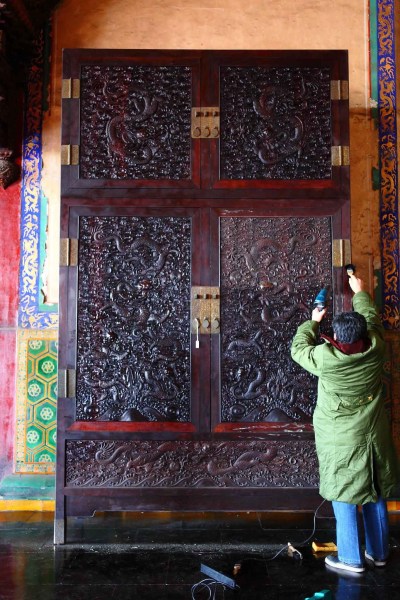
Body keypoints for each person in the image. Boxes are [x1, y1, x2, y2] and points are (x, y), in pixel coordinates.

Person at [291, 274, 399, 574]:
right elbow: (371, 318)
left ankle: (350, 558)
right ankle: (378, 553)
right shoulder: (376, 347)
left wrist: (313, 322)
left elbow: (298, 348)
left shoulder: (325, 358)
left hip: (340, 437)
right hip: (373, 434)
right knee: (374, 489)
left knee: (343, 492)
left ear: (336, 339)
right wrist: (360, 292)